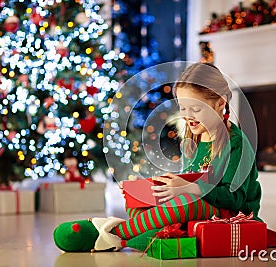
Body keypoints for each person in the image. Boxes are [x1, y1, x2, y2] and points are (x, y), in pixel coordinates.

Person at [53, 62, 262, 252]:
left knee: (185, 202)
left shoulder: (236, 143)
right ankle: (141, 237)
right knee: (143, 199)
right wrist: (153, 187)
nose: (187, 115)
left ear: (219, 102)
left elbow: (235, 199)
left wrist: (192, 188)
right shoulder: (193, 137)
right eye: (183, 108)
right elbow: (190, 178)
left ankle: (115, 233)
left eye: (196, 109)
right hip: (202, 205)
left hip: (232, 215)